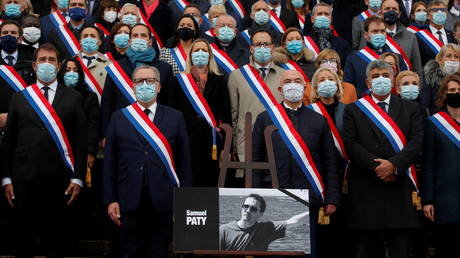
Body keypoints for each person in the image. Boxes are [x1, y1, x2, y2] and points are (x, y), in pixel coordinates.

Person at [1, 43, 87, 257]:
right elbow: (9, 140)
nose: (46, 64)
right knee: (23, 238)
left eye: (51, 60)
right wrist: (6, 178)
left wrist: (78, 178)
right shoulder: (20, 97)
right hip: (24, 177)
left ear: (58, 66)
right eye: (42, 60)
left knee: (56, 240)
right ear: (34, 64)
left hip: (59, 179)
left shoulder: (74, 97)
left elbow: (81, 141)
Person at [103, 64, 192, 257]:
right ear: (133, 86)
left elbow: (184, 163)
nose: (145, 85)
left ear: (158, 87)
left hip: (163, 198)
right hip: (128, 198)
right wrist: (111, 199)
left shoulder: (175, 117)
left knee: (158, 252)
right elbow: (110, 163)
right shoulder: (119, 118)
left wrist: (184, 200)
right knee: (129, 252)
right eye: (139, 81)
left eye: (150, 81)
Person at [251, 69, 340, 257]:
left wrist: (332, 198)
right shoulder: (265, 118)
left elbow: (330, 162)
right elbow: (255, 160)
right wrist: (257, 194)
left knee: (305, 250)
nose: (293, 84)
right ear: (280, 89)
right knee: (274, 251)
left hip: (308, 196)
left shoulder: (319, 121)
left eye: (297, 80)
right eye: (288, 81)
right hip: (273, 195)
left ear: (305, 87)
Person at [343, 60, 423, 258]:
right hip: (367, 188)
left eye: (385, 76)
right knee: (366, 249)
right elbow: (351, 145)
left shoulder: (410, 108)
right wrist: (378, 167)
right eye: (376, 77)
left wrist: (394, 165)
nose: (381, 80)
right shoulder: (353, 109)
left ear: (393, 80)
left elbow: (416, 143)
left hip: (399, 186)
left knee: (401, 249)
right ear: (367, 83)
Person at [172, 39, 231, 187]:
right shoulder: (179, 80)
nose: (200, 53)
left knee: (210, 181)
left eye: (204, 50)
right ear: (190, 55)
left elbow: (226, 114)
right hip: (186, 138)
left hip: (212, 141)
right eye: (196, 50)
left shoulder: (219, 80)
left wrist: (226, 146)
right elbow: (173, 112)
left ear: (210, 56)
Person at [101, 23, 175, 138]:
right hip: (123, 129)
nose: (139, 39)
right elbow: (107, 104)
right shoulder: (116, 68)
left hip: (157, 130)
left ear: (150, 42)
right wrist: (105, 135)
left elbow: (170, 103)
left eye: (143, 35)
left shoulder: (165, 68)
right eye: (135, 36)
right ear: (129, 41)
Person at [228, 29, 284, 162]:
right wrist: (234, 147)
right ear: (251, 48)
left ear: (272, 47)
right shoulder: (237, 75)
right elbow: (233, 114)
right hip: (247, 144)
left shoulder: (285, 76)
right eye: (258, 44)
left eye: (266, 44)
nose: (262, 47)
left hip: (279, 142)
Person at [421, 73, 460, 258]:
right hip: (446, 199)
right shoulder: (434, 123)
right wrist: (428, 199)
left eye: (459, 90)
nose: (456, 93)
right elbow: (428, 164)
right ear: (444, 94)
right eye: (452, 90)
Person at [219, 193, 309, 251]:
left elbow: (294, 222)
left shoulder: (266, 229)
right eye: (245, 206)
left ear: (260, 214)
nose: (248, 210)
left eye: (253, 209)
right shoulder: (224, 230)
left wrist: (315, 209)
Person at [344, 16, 407, 97]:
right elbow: (349, 87)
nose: (379, 34)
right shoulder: (353, 59)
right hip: (367, 106)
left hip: (393, 104)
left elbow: (403, 81)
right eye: (375, 31)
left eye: (382, 31)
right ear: (366, 35)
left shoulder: (397, 58)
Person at [0, 20, 35, 129]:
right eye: (5, 33)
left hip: (26, 121)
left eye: (13, 33)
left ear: (20, 39)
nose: (9, 35)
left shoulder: (32, 58)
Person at [381, 0, 423, 75]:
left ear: (399, 14)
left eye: (394, 9)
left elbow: (417, 68)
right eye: (387, 9)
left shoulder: (410, 36)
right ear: (380, 13)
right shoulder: (374, 36)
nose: (391, 12)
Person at [421, 43, 460, 114]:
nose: (453, 59)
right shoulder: (430, 78)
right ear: (440, 59)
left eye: (456, 56)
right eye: (448, 56)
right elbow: (425, 106)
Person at [417, 0, 457, 65]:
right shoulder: (419, 36)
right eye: (435, 10)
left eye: (443, 10)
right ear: (428, 16)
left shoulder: (452, 35)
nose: (440, 12)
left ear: (446, 14)